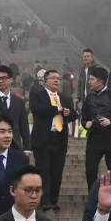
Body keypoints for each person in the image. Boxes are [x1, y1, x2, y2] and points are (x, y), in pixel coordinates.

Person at [30, 69, 79, 212]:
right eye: (53, 78)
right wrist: (58, 109)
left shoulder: (65, 97)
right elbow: (38, 110)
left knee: (57, 172)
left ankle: (54, 200)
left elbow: (74, 115)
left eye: (58, 78)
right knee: (43, 171)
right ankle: (44, 201)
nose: (57, 81)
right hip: (43, 139)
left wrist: (69, 112)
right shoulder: (37, 95)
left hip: (59, 140)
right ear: (45, 81)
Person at [82, 67, 111, 187]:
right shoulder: (89, 97)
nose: (89, 82)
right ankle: (93, 197)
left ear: (100, 81)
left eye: (91, 79)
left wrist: (110, 121)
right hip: (94, 138)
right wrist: (86, 124)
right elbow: (84, 118)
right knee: (90, 170)